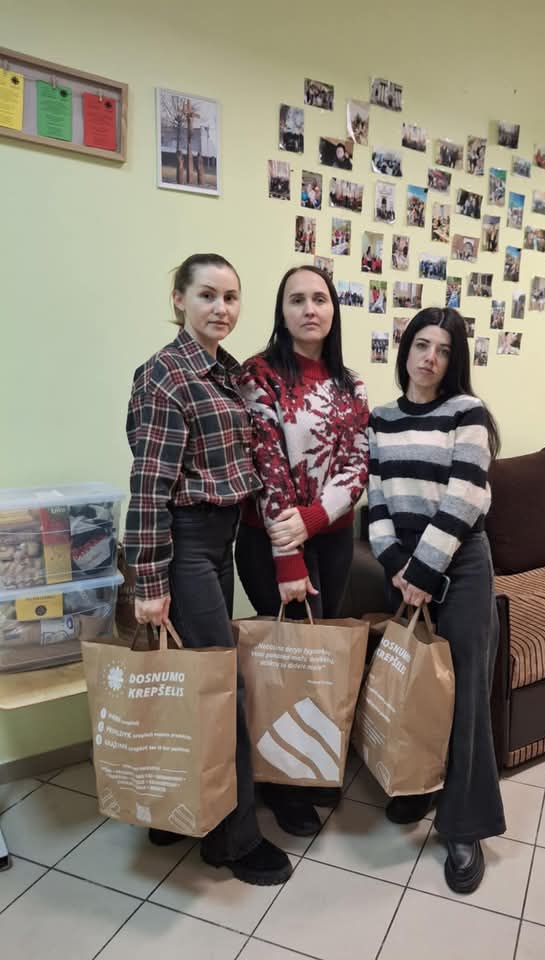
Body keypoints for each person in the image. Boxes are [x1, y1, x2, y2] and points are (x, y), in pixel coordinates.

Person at [124, 253, 291, 886]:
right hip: (186, 543)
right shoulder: (165, 375)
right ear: (178, 299)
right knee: (224, 688)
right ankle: (234, 840)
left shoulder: (225, 372)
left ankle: (178, 812)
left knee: (193, 682)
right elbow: (149, 486)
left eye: (230, 297)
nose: (221, 308)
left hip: (220, 539)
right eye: (206, 295)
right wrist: (150, 581)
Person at [367, 307, 505, 895]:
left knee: (466, 692)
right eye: (422, 345)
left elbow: (465, 497)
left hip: (462, 563)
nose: (430, 358)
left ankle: (464, 825)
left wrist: (424, 569)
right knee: (419, 685)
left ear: (455, 361)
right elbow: (376, 502)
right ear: (405, 350)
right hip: (407, 568)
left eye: (444, 350)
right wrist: (399, 567)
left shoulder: (468, 413)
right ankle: (420, 784)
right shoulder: (381, 418)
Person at [236, 265, 369, 837]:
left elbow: (358, 465)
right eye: (297, 300)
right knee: (284, 661)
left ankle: (308, 764)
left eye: (319, 299)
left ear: (333, 310)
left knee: (315, 659)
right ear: (282, 311)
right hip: (270, 542)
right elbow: (266, 466)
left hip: (333, 538)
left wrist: (315, 519)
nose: (309, 309)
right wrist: (288, 556)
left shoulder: (351, 383)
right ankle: (280, 784)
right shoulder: (258, 375)